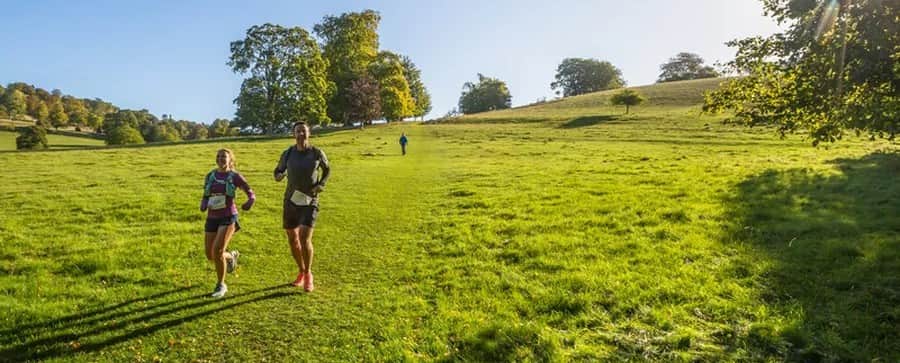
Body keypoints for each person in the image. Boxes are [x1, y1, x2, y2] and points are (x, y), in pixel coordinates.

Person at [274, 121, 330, 292]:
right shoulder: (288, 153)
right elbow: (277, 171)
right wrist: (278, 175)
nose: (300, 134)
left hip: (310, 200)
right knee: (292, 239)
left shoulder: (317, 153)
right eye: (297, 131)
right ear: (293, 134)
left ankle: (308, 274)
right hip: (291, 200)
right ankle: (301, 271)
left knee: (305, 237)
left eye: (303, 131)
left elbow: (327, 170)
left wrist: (321, 184)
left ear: (309, 133)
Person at [200, 148, 255, 298]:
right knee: (210, 255)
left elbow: (249, 191)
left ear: (230, 160)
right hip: (212, 217)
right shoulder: (210, 176)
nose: (220, 159)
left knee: (217, 251)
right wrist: (203, 203)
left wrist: (250, 200)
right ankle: (231, 256)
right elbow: (206, 194)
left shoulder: (235, 176)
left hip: (228, 217)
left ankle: (221, 285)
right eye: (218, 156)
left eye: (224, 157)